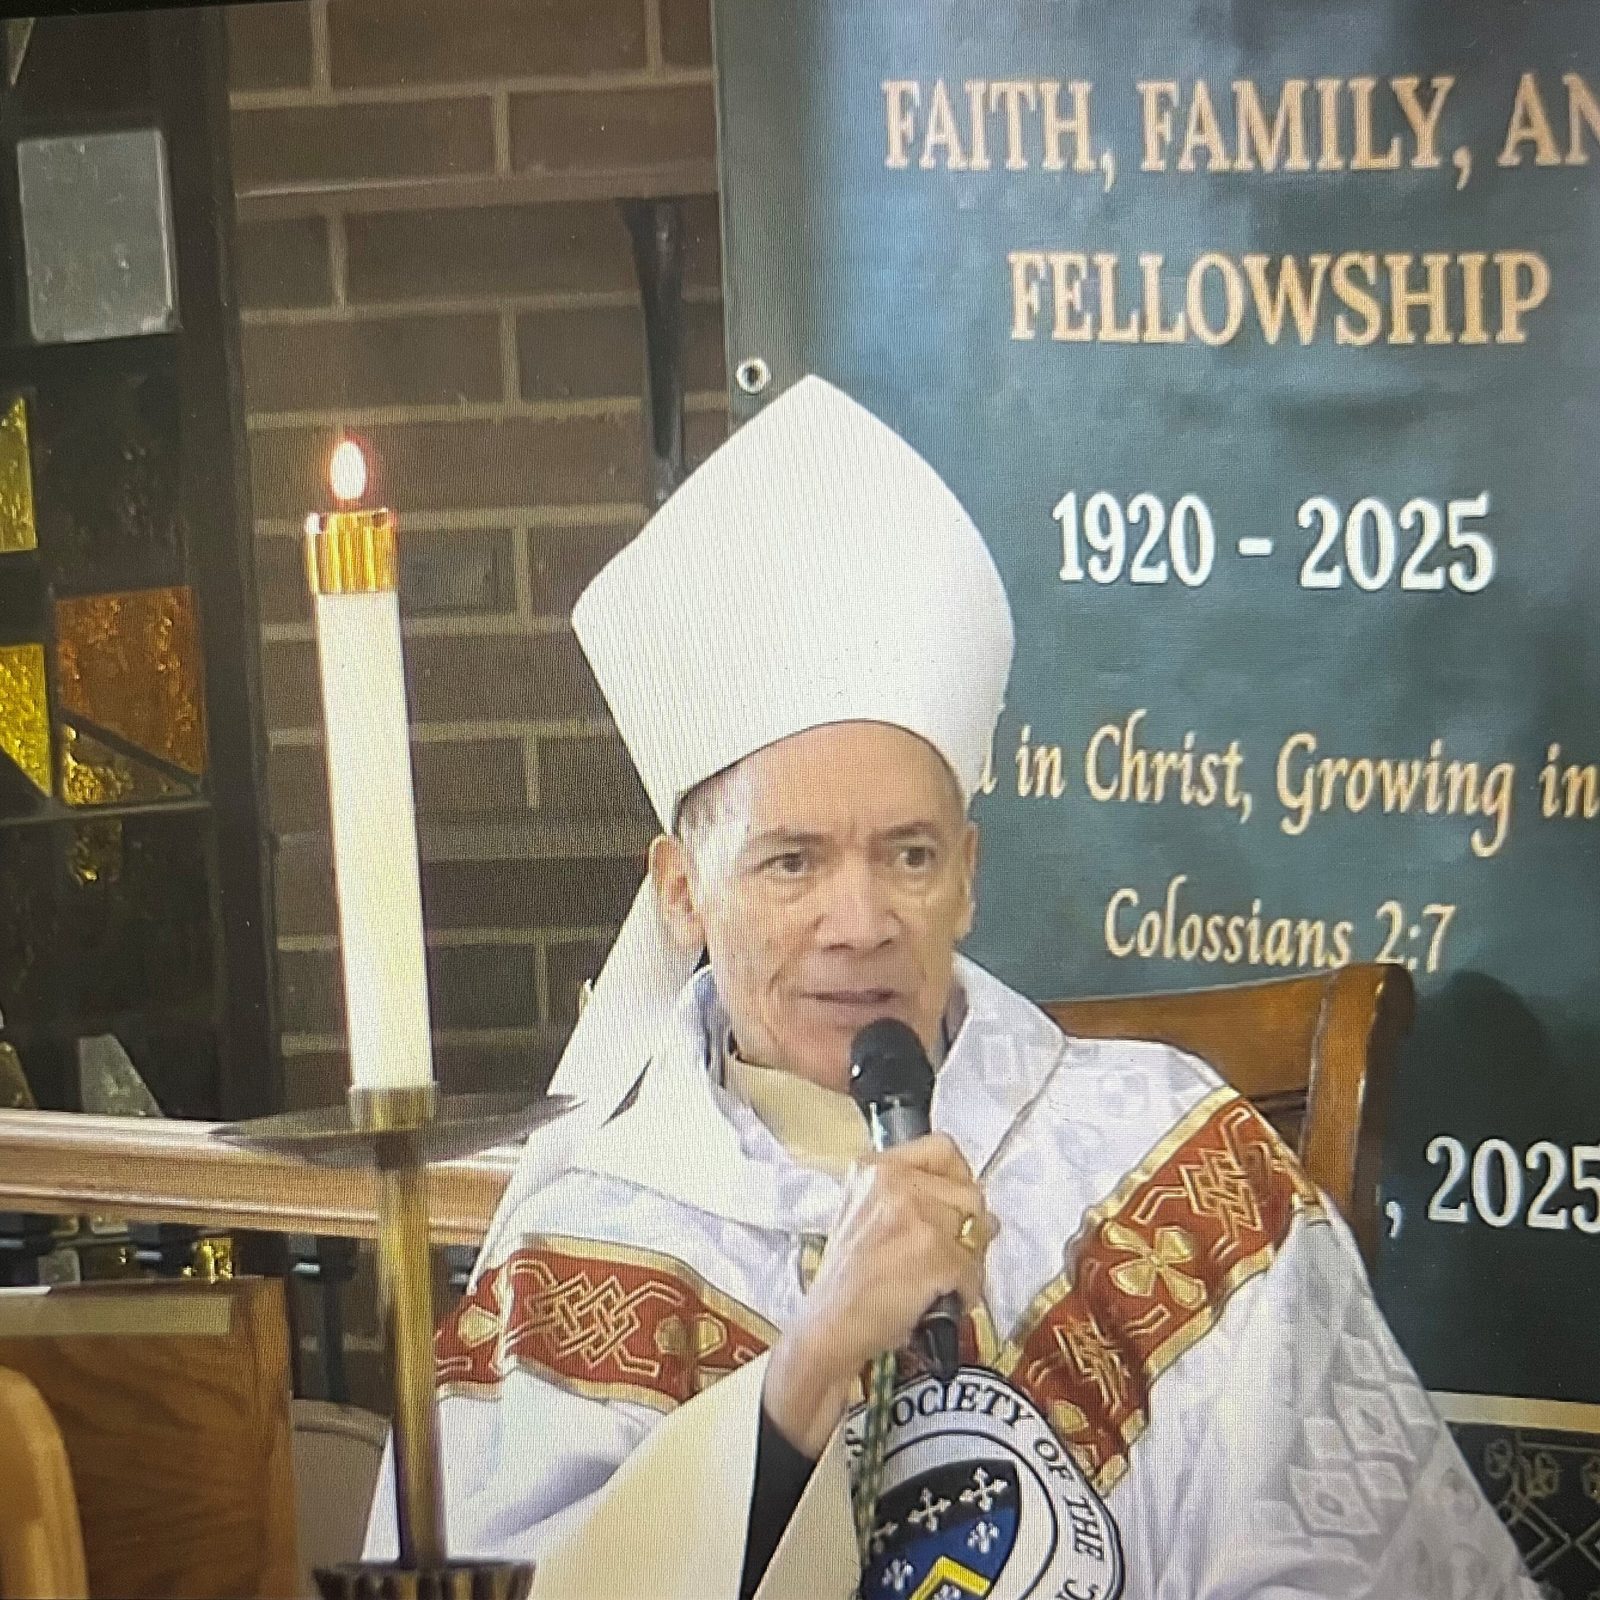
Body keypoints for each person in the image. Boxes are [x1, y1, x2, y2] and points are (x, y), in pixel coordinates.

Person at [366, 377, 1534, 1599]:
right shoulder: (588, 1233)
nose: (860, 923)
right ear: (679, 892)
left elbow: (1364, 1561)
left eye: (907, 854)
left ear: (967, 876)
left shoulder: (1171, 1156)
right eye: (792, 860)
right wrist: (805, 1375)